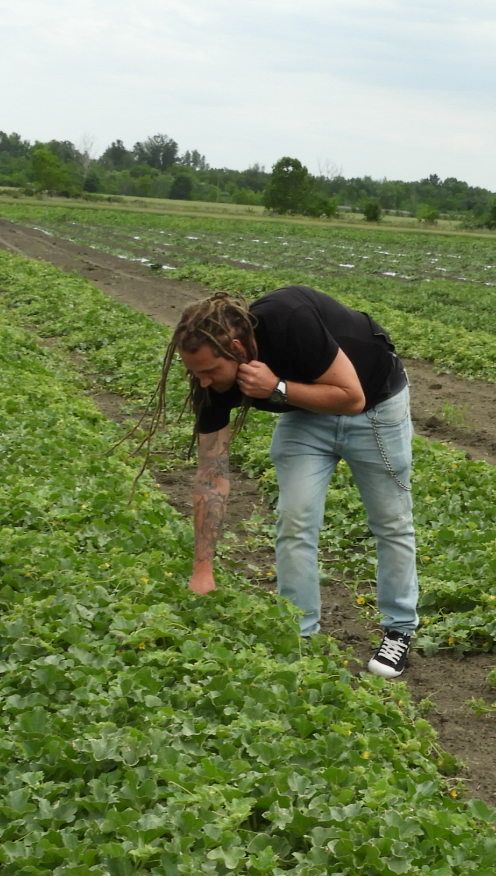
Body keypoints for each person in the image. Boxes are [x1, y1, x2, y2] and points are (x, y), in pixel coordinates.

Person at [151, 286, 418, 677]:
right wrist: (202, 570)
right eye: (195, 373)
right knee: (295, 519)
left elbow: (351, 397)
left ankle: (399, 629)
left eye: (209, 371)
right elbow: (211, 477)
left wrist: (276, 387)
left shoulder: (289, 318)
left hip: (374, 406)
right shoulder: (211, 385)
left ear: (239, 350)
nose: (204, 382)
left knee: (390, 522)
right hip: (306, 414)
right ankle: (300, 633)